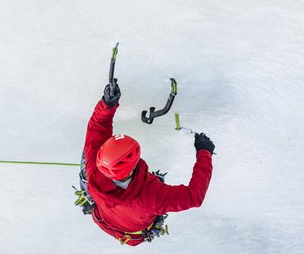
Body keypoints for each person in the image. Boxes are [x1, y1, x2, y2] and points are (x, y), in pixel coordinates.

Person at [82, 82, 215, 246]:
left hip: (108, 217)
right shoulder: (152, 196)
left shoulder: (94, 170)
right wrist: (204, 153)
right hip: (134, 226)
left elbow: (97, 128)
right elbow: (194, 197)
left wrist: (107, 104)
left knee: (89, 154)